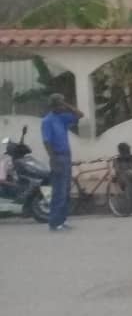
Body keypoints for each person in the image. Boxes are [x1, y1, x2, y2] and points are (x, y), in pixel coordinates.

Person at [40, 92, 83, 232]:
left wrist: (66, 105)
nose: (62, 106)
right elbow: (47, 142)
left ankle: (62, 221)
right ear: (54, 105)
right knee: (58, 191)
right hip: (57, 157)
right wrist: (53, 160)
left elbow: (80, 115)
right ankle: (54, 223)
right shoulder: (47, 121)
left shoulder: (62, 118)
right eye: (60, 104)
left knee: (65, 191)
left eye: (63, 103)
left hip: (66, 156)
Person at [112, 142, 132, 207]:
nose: (125, 153)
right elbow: (117, 171)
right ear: (120, 151)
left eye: (127, 151)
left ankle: (130, 205)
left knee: (130, 183)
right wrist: (126, 173)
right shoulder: (116, 159)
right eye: (123, 151)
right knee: (129, 182)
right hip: (122, 180)